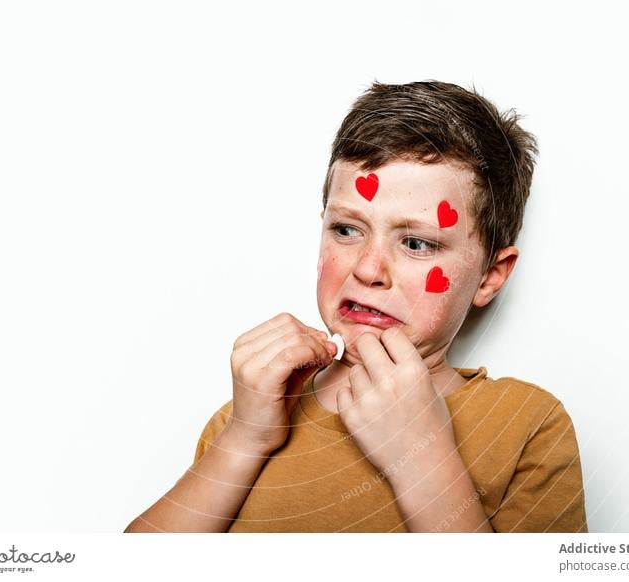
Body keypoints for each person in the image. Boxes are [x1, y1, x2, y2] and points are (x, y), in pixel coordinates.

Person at [124, 80, 587, 533]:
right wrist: (247, 438)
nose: (368, 269)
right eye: (347, 229)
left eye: (417, 243)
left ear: (490, 276)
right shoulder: (248, 415)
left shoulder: (527, 424)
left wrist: (422, 458)